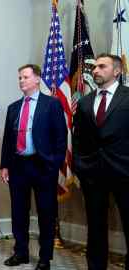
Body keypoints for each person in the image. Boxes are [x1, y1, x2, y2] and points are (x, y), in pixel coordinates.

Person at [0, 64, 67, 270]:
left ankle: (45, 258)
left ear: (37, 79)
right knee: (19, 212)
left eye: (26, 77)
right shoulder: (13, 107)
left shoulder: (52, 104)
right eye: (20, 77)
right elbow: (7, 140)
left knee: (46, 213)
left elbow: (61, 137)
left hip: (42, 166)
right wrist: (5, 165)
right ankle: (21, 253)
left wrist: (53, 165)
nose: (21, 81)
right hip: (18, 165)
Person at [73, 53, 129, 270]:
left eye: (102, 66)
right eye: (94, 67)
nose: (95, 70)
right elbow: (78, 138)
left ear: (117, 71)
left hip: (125, 172)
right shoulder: (85, 102)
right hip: (93, 174)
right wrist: (79, 165)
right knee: (96, 226)